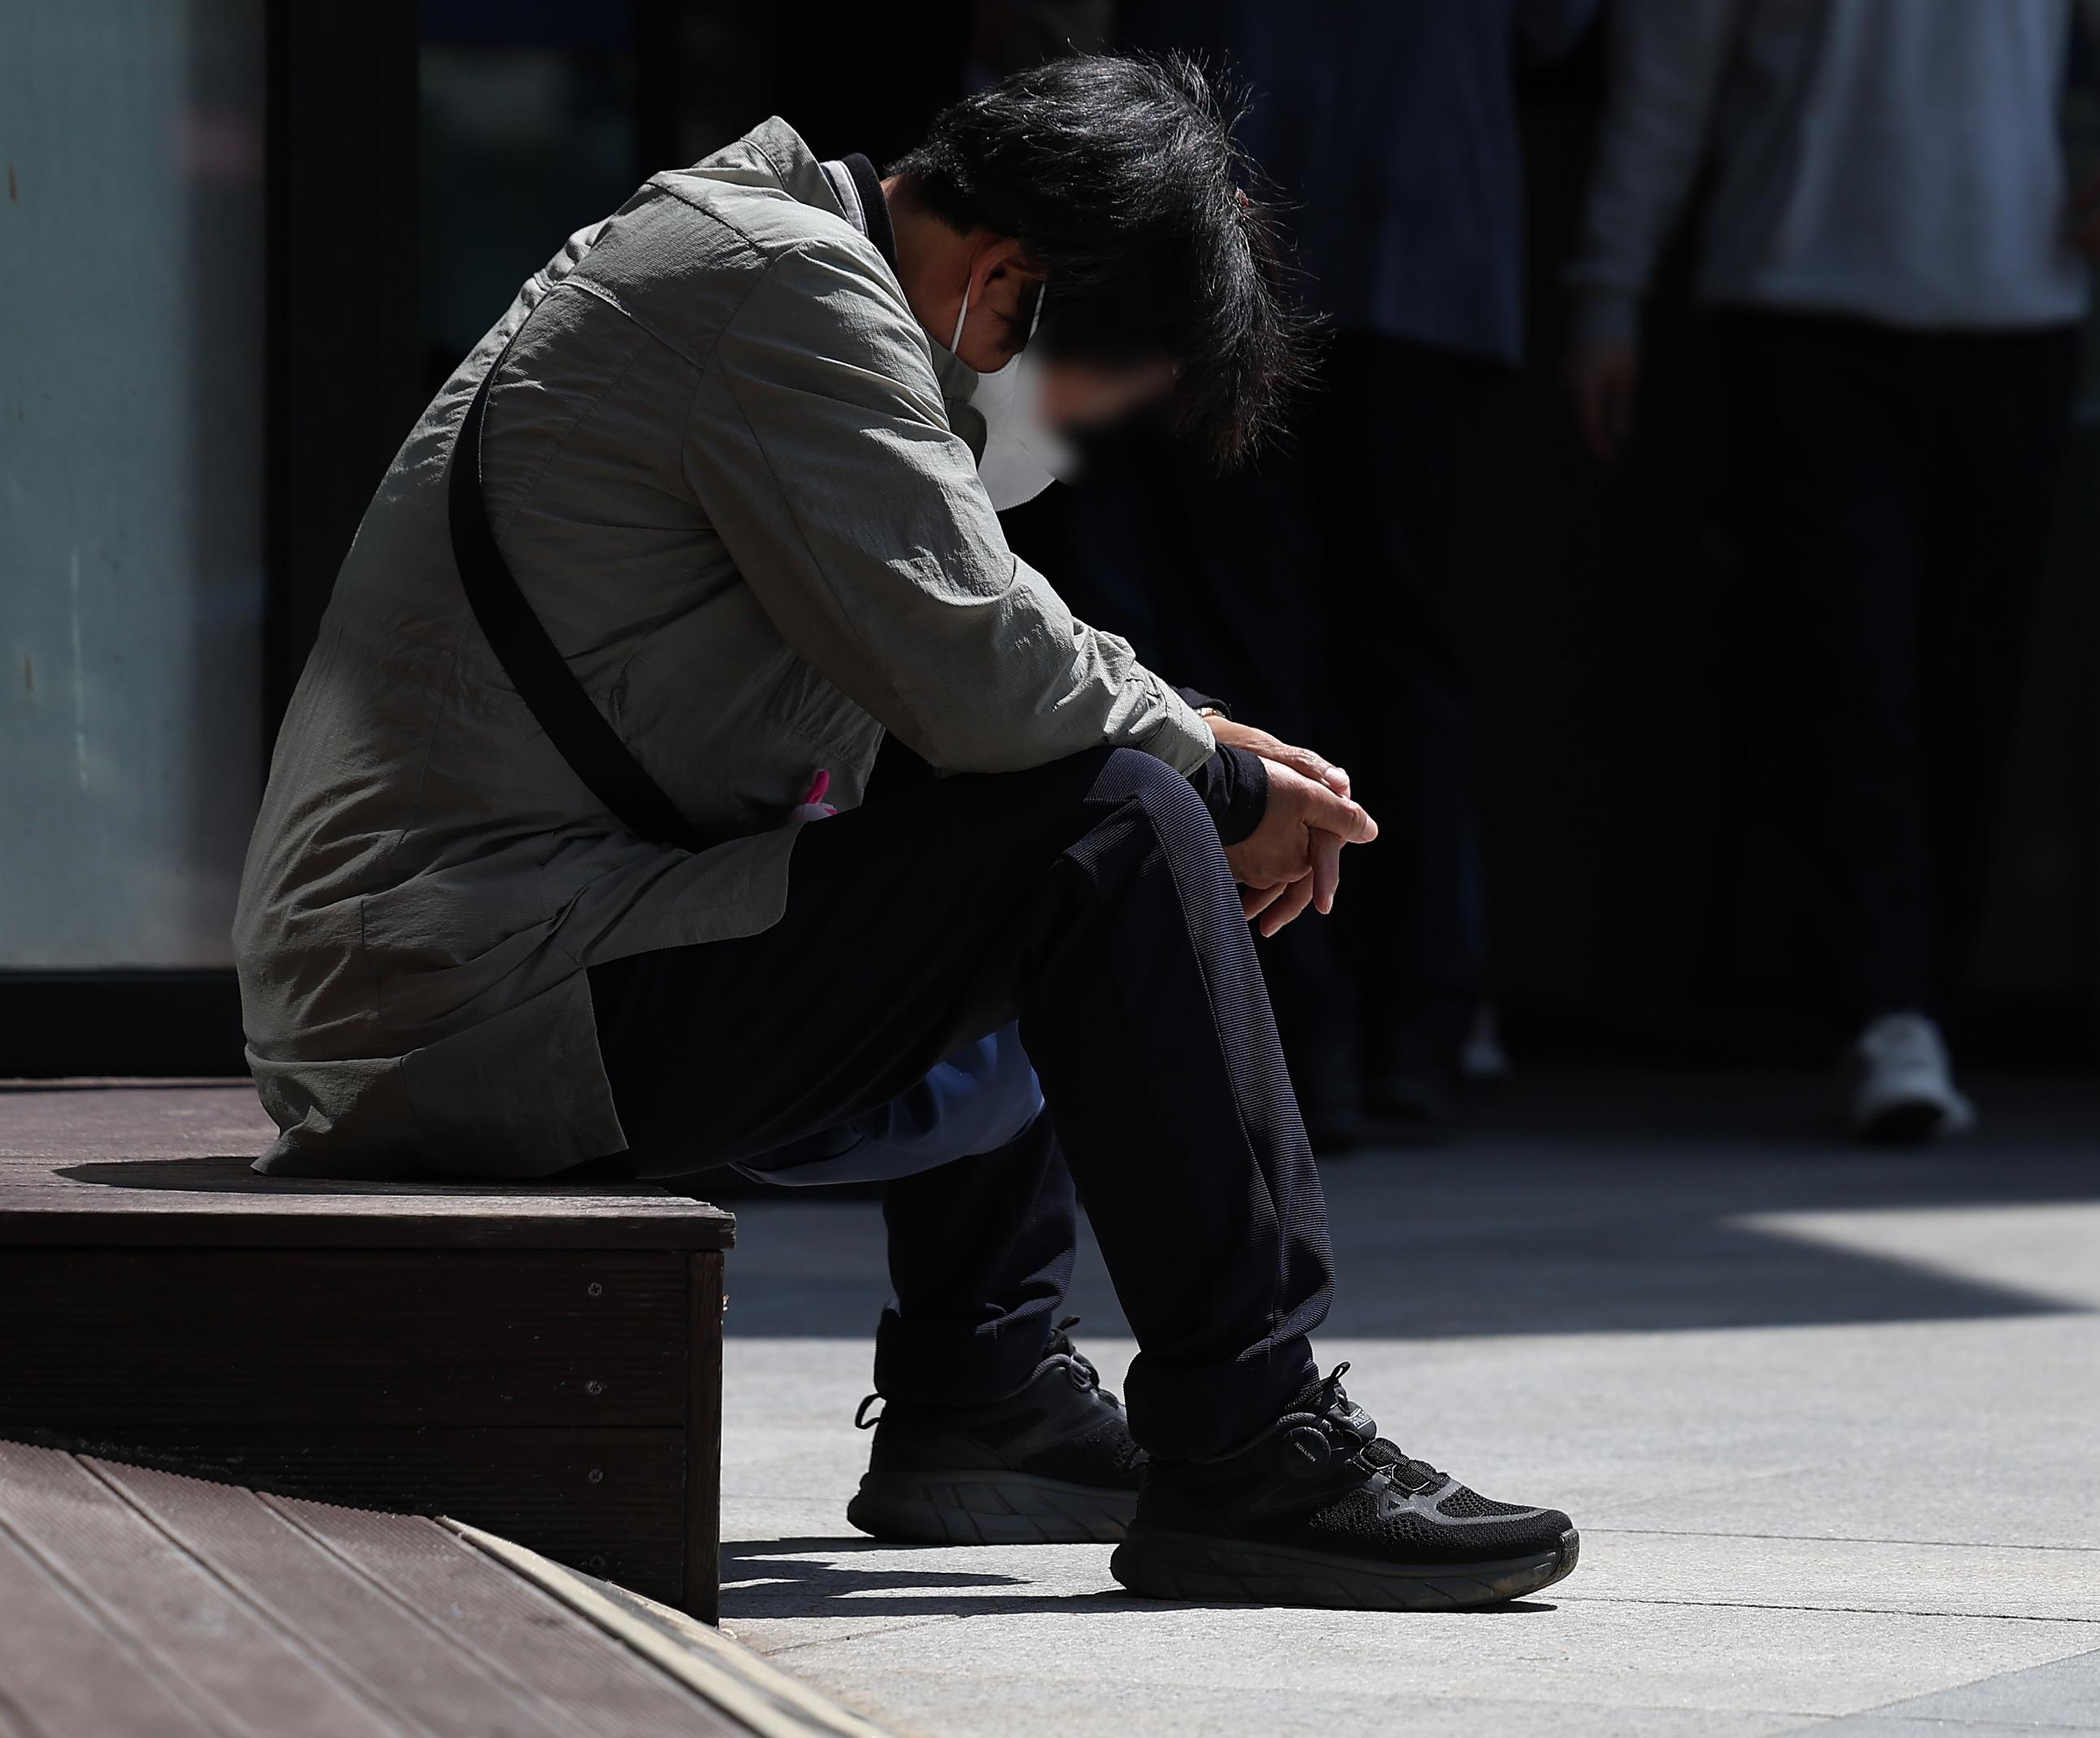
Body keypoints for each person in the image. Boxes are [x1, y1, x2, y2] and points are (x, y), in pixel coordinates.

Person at [233, 55, 1577, 1610]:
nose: (1059, 442)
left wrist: (1192, 738)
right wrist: (1214, 783)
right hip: (459, 1002)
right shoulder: (784, 293)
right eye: (1084, 397)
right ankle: (1250, 1435)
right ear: (1006, 285)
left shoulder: (760, 261)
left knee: (1059, 794)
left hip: (473, 962)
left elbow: (961, 678)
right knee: (1115, 825)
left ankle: (985, 1385)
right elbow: (986, 668)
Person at [1566, 0, 2100, 1143]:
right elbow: (1666, 83)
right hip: (1799, 310)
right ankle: (1885, 1009)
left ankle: (1920, 995)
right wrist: (1606, 289)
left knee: (1972, 677)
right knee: (1846, 661)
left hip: (2013, 311)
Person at [1071, 0, 1601, 1138]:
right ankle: (1407, 1020)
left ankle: (1305, 1032)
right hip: (1406, 236)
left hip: (1265, 225)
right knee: (1391, 642)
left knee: (1258, 640)